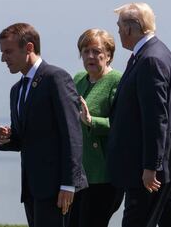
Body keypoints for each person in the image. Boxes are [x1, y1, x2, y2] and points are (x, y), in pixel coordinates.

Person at [106, 3, 171, 227]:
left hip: (150, 166)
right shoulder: (153, 52)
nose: (118, 32)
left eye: (119, 27)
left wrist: (150, 167)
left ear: (129, 29)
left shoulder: (150, 59)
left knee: (136, 221)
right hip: (161, 161)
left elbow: (156, 118)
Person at [0, 22, 88, 227]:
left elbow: (72, 133)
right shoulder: (16, 90)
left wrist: (68, 184)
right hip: (32, 189)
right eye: (2, 52)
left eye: (8, 52)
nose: (3, 58)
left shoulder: (56, 78)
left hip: (58, 189)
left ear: (28, 48)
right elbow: (22, 138)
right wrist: (3, 139)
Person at [69, 29, 123, 227]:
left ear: (108, 55)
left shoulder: (117, 80)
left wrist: (92, 121)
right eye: (85, 51)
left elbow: (123, 124)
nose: (90, 56)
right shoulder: (78, 79)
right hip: (79, 172)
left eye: (96, 51)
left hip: (104, 174)